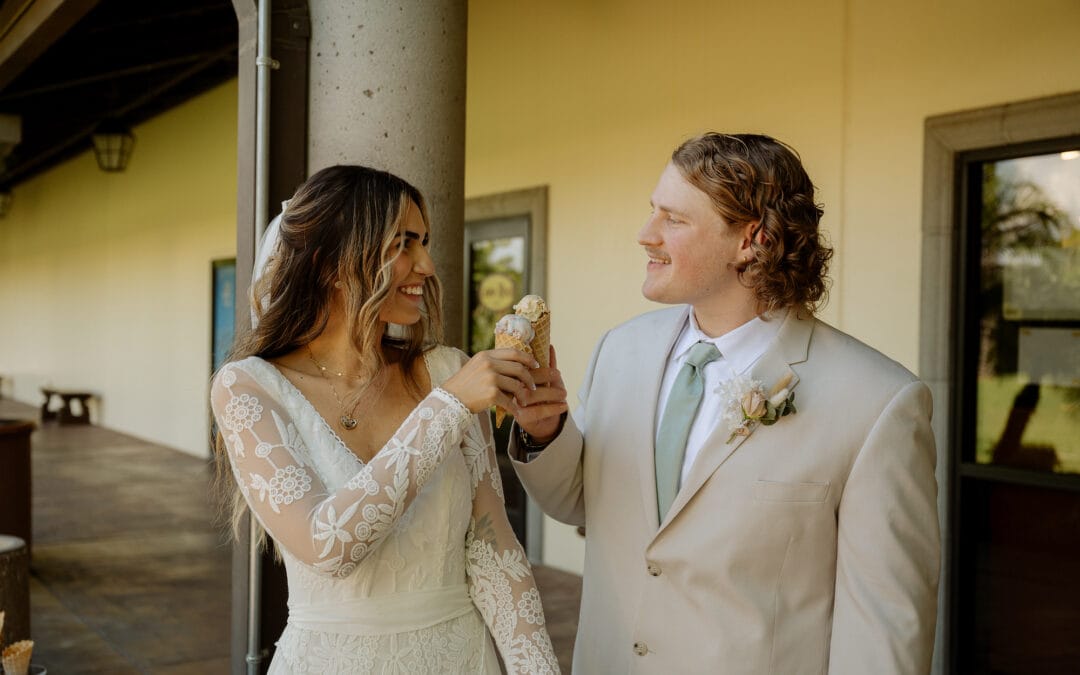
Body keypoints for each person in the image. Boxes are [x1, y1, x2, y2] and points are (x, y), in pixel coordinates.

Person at [509, 133, 940, 673]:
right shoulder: (620, 350)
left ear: (751, 239)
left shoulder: (878, 403)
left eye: (673, 219)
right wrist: (547, 430)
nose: (646, 235)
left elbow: (885, 630)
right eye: (652, 212)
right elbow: (580, 502)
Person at [210, 165, 564, 674]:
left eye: (423, 242)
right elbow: (327, 546)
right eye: (402, 244)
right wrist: (449, 406)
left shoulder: (446, 368)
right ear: (330, 262)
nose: (427, 264)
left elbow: (493, 549)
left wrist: (538, 670)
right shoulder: (249, 388)